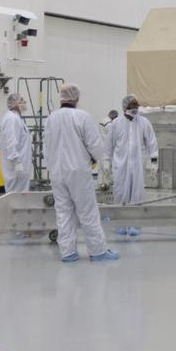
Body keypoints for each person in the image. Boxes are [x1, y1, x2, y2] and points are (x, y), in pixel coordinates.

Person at [45, 83, 118, 262]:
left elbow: (47, 146)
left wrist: (52, 165)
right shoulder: (82, 117)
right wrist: (100, 160)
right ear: (76, 98)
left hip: (56, 171)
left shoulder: (51, 118)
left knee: (63, 211)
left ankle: (68, 252)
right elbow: (95, 145)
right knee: (88, 211)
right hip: (77, 171)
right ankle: (98, 251)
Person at [106, 94, 158, 237]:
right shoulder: (116, 124)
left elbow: (151, 141)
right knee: (120, 192)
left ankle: (135, 223)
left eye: (136, 105)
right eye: (132, 105)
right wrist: (106, 163)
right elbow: (109, 145)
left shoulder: (144, 122)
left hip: (137, 165)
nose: (135, 108)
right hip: (120, 165)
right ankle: (120, 223)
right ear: (125, 107)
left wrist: (154, 160)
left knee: (137, 193)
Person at [0, 93, 33, 193]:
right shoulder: (11, 119)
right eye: (21, 100)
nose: (24, 103)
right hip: (16, 169)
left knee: (20, 198)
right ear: (15, 103)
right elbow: (11, 143)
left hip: (21, 168)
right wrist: (18, 164)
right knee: (15, 198)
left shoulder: (16, 118)